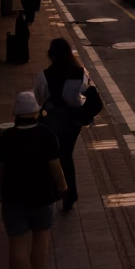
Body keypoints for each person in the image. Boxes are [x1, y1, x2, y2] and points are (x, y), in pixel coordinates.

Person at [0, 91, 66, 269]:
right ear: (35, 112)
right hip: (43, 197)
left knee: (17, 244)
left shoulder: (6, 137)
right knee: (41, 238)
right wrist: (63, 187)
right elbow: (55, 165)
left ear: (15, 114)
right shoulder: (47, 134)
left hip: (14, 198)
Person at [34, 38, 88, 212]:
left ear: (51, 54)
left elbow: (39, 98)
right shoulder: (81, 72)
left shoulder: (45, 75)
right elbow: (84, 95)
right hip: (73, 121)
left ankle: (58, 190)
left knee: (54, 154)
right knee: (66, 153)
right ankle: (69, 193)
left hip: (51, 120)